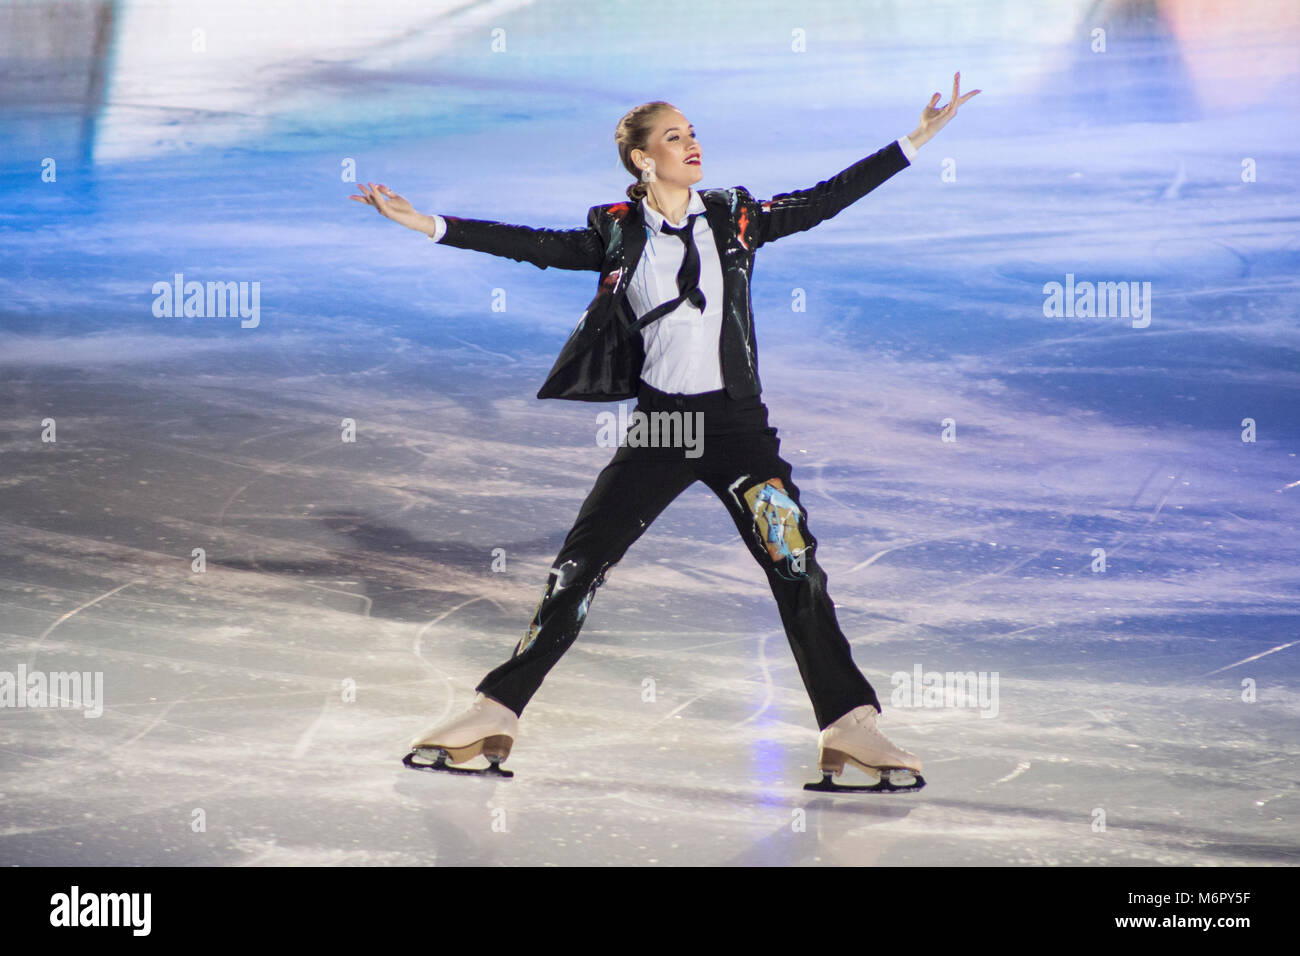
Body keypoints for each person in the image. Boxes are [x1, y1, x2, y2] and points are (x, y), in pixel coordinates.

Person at [352, 74, 979, 792]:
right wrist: (429, 223)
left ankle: (848, 725)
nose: (693, 143)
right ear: (642, 159)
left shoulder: (735, 215)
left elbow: (820, 200)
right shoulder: (616, 229)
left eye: (693, 132)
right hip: (664, 428)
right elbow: (531, 245)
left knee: (795, 566)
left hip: (739, 430)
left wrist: (914, 140)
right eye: (675, 136)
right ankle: (496, 709)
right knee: (579, 570)